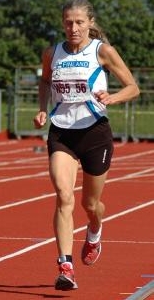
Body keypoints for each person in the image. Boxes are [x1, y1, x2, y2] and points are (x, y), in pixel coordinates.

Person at [33, 0, 139, 291]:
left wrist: (112, 98)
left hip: (95, 133)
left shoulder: (101, 51)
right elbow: (44, 81)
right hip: (62, 133)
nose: (73, 28)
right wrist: (43, 108)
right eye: (68, 22)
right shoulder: (52, 53)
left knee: (90, 204)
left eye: (79, 22)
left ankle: (94, 230)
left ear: (90, 22)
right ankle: (65, 267)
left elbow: (133, 86)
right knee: (63, 196)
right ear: (62, 23)